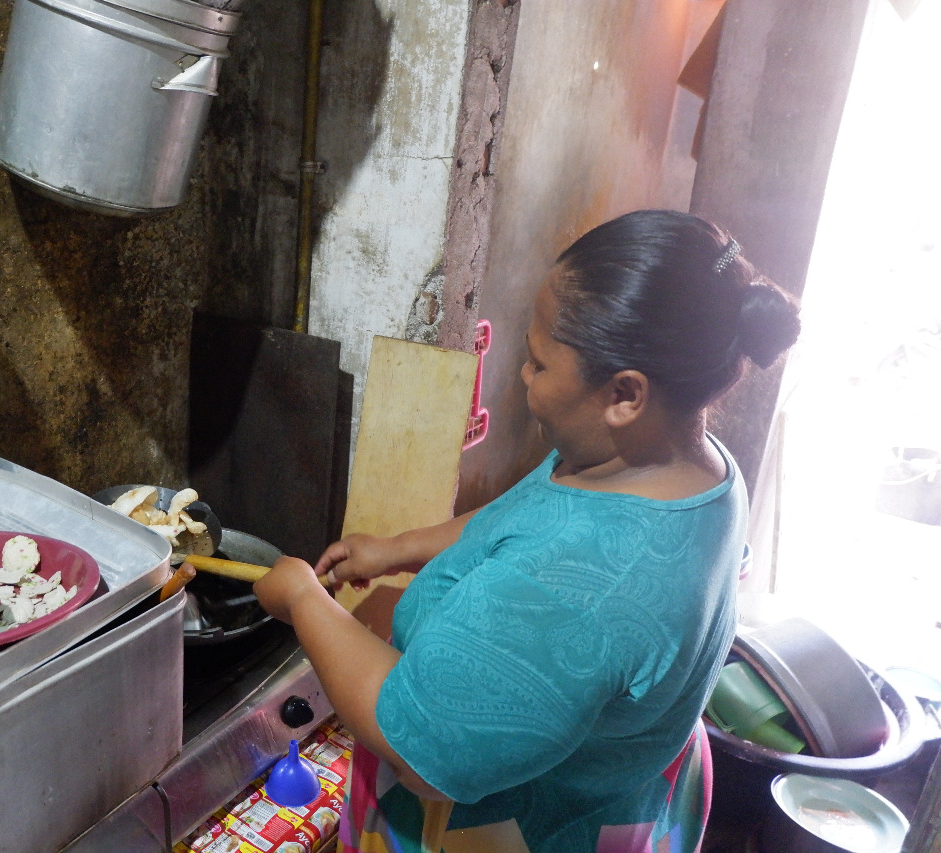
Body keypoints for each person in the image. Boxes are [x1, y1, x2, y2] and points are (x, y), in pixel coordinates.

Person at [253, 209, 802, 853]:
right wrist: (400, 548)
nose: (522, 376)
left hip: (514, 830)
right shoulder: (681, 466)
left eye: (540, 364)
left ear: (626, 393)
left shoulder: (584, 587)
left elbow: (418, 750)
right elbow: (533, 510)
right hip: (622, 789)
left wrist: (301, 600)